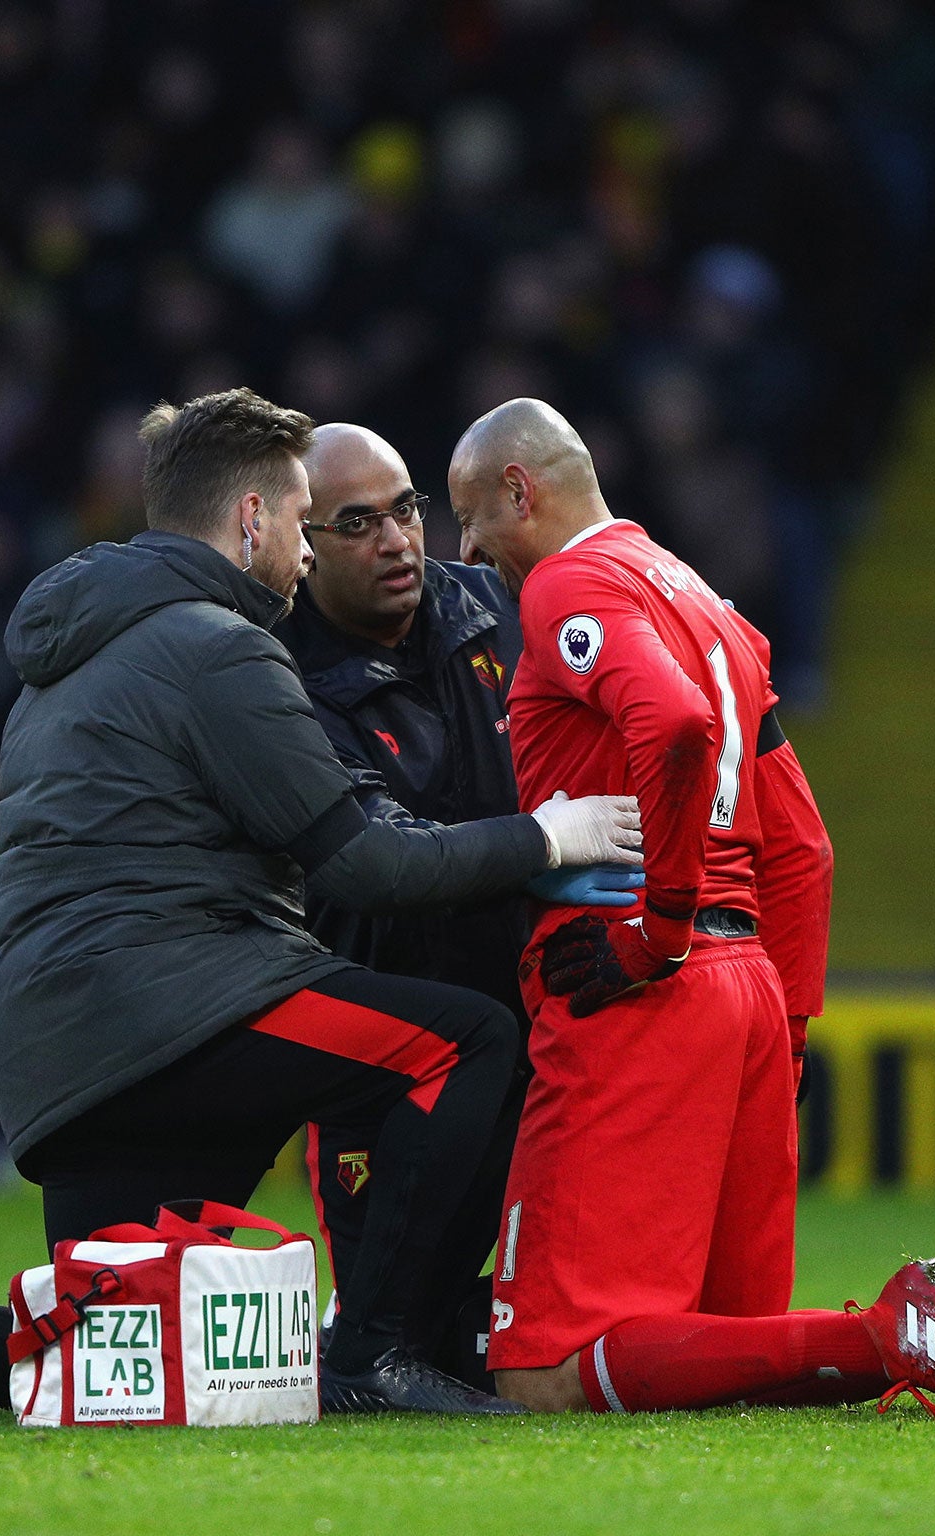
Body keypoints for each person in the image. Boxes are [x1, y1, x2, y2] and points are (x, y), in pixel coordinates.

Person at [0, 388, 645, 1416]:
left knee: (113, 1347)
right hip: (176, 997)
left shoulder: (71, 652)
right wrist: (552, 835)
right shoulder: (218, 648)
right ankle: (372, 1348)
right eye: (303, 521)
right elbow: (362, 865)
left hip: (58, 1042)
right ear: (252, 520)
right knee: (462, 1041)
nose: (310, 557)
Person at [449, 397, 935, 1415]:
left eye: (471, 514)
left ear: (520, 489)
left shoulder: (570, 584)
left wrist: (654, 932)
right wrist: (781, 1032)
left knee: (543, 1373)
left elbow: (674, 721)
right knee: (728, 1356)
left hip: (634, 979)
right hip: (743, 987)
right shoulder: (707, 603)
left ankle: (890, 1335)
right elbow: (801, 847)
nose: (466, 546)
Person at [271, 422, 640, 1380]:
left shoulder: (496, 606)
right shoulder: (278, 684)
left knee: (583, 1296)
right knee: (396, 1329)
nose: (397, 540)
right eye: (357, 524)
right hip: (387, 1046)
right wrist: (541, 849)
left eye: (406, 509)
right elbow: (388, 857)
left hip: (540, 1022)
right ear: (302, 548)